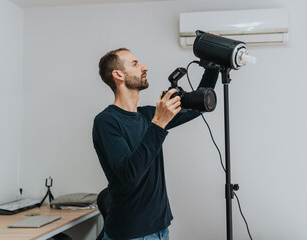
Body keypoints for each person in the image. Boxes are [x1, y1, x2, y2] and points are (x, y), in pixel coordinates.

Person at [93, 48, 218, 240]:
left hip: (160, 228)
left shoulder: (148, 115)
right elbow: (130, 175)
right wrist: (159, 123)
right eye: (135, 64)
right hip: (130, 234)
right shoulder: (106, 122)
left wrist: (213, 65)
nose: (145, 67)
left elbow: (197, 107)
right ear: (118, 75)